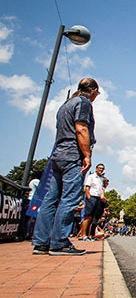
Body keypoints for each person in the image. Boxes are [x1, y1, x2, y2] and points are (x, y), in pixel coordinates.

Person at [32, 78, 99, 256]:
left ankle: (41, 242)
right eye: (97, 94)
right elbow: (81, 128)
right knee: (69, 199)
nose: (96, 97)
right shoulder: (83, 102)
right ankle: (60, 242)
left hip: (58, 155)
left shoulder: (66, 104)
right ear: (93, 90)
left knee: (50, 199)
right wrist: (87, 155)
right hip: (72, 154)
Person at [77, 163, 104, 241]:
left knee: (93, 218)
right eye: (100, 168)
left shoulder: (100, 179)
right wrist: (89, 197)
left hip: (97, 198)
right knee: (87, 216)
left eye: (102, 169)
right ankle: (83, 235)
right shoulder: (91, 177)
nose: (101, 170)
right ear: (96, 169)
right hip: (91, 197)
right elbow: (87, 188)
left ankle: (90, 235)